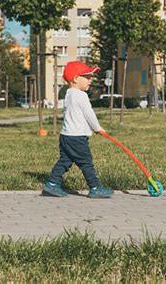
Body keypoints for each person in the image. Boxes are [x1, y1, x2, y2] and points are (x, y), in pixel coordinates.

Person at [42, 61, 114, 198]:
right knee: (86, 163)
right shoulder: (81, 96)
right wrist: (97, 128)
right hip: (77, 138)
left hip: (66, 136)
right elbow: (89, 114)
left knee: (65, 161)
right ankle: (95, 187)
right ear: (75, 78)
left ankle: (52, 184)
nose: (90, 80)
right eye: (87, 77)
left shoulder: (68, 94)